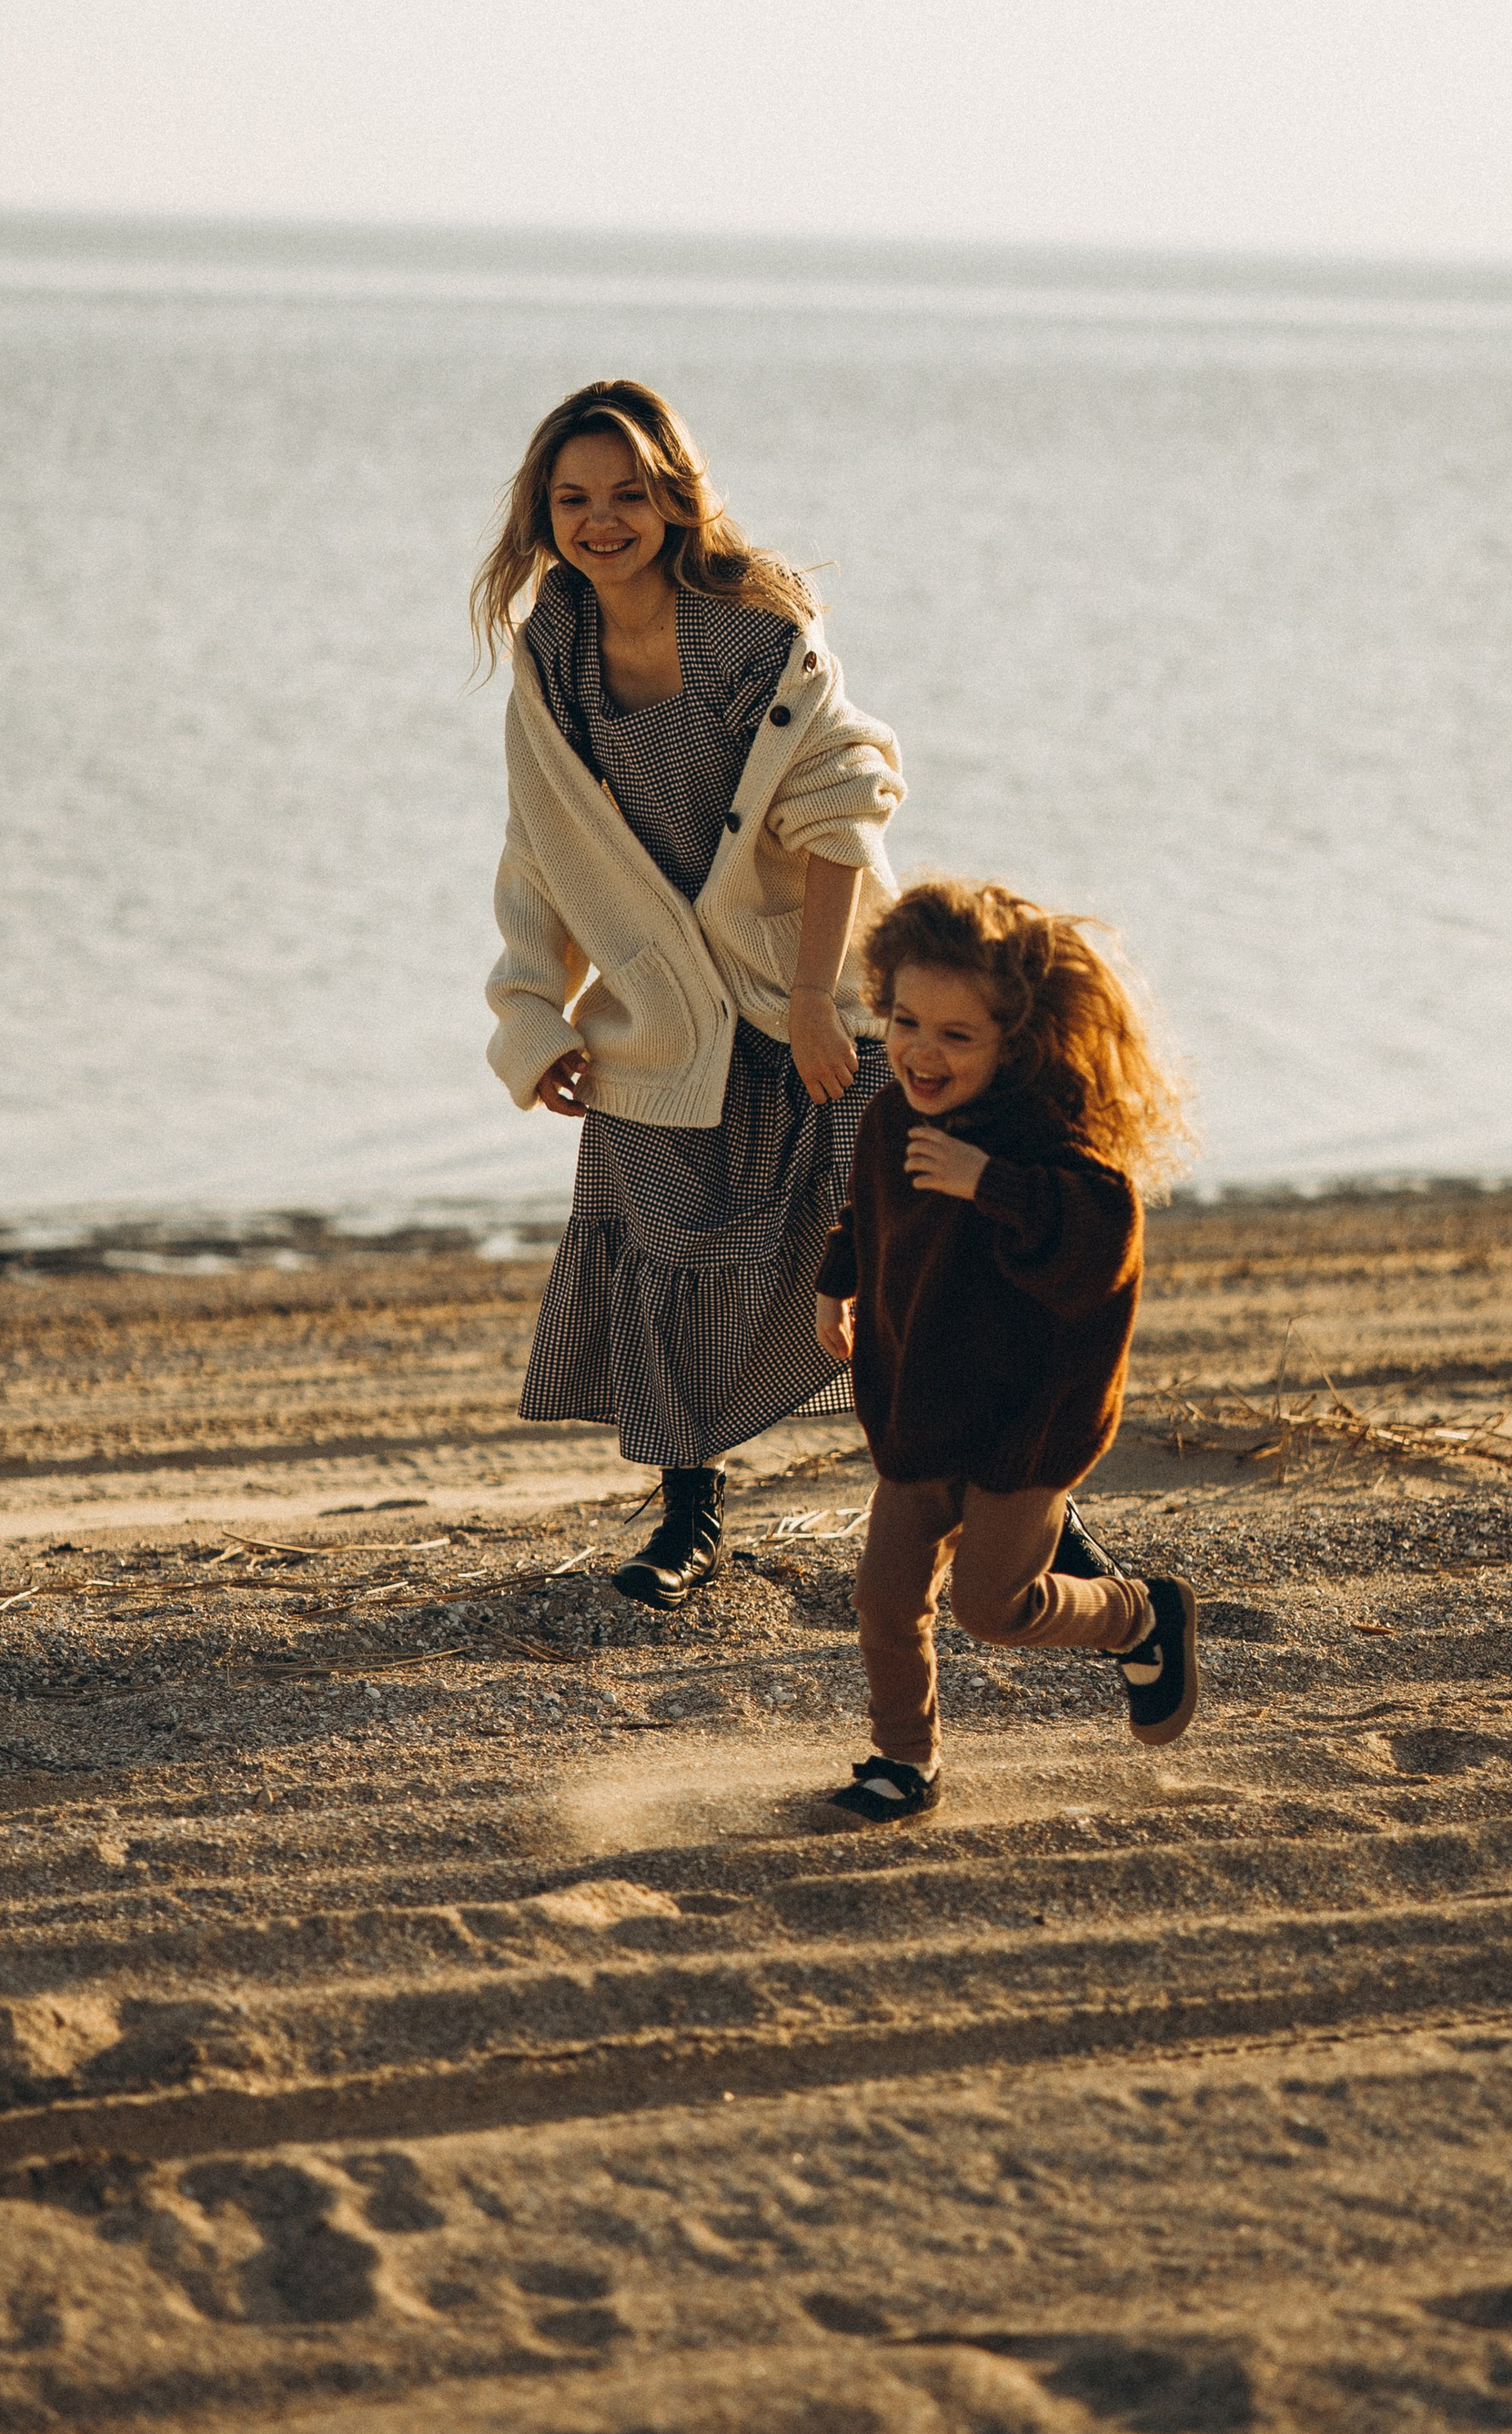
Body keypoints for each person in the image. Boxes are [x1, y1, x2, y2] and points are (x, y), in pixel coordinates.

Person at [472, 379, 904, 1606]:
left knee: (884, 1267)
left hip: (809, 1003)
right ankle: (687, 1521)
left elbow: (843, 808)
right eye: (574, 499)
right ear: (543, 516)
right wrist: (533, 1014)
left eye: (627, 493)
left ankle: (999, 1501)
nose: (601, 519)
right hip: (662, 1020)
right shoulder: (551, 657)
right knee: (659, 1257)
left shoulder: (752, 635)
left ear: (673, 498)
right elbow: (537, 850)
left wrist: (822, 1003)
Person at [814, 876, 1199, 1821]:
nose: (921, 1053)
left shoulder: (1047, 1142)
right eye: (906, 1022)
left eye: (957, 1036)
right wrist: (836, 1281)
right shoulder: (890, 1115)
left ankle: (1137, 1613)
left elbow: (1102, 1240)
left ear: (1015, 1039)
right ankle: (904, 1764)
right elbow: (867, 1209)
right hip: (919, 1405)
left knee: (994, 1608)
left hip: (1025, 1420)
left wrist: (989, 1182)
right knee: (883, 1598)